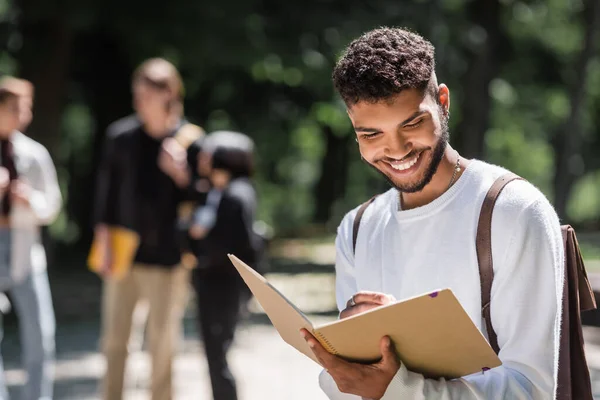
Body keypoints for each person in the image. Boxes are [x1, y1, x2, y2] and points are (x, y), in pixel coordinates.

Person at [300, 27, 563, 399]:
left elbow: (532, 390)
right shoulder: (357, 228)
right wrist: (347, 368)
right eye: (371, 134)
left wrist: (400, 385)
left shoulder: (513, 211)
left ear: (442, 101)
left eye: (412, 123)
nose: (396, 150)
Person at [93, 58, 199, 400]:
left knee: (162, 343)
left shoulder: (190, 141)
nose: (139, 101)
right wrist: (104, 244)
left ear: (168, 94)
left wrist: (182, 174)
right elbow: (105, 197)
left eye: (146, 95)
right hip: (123, 252)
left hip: (169, 256)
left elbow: (203, 200)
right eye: (136, 94)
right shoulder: (120, 136)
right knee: (114, 341)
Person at [0, 79, 61, 400]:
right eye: (15, 108)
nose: (23, 115)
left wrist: (28, 199)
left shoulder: (34, 154)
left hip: (25, 248)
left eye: (26, 108)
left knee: (40, 334)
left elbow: (52, 205)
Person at [187, 133, 260, 400]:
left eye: (208, 153)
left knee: (218, 355)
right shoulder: (215, 191)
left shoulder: (236, 196)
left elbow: (239, 244)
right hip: (212, 284)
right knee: (214, 354)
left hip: (224, 286)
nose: (201, 159)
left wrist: (202, 235)